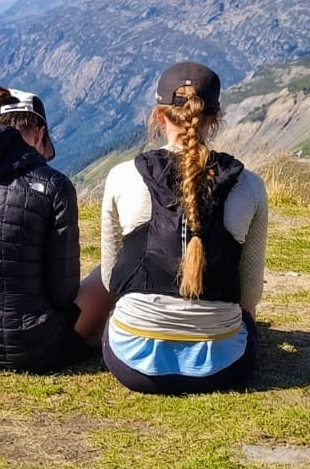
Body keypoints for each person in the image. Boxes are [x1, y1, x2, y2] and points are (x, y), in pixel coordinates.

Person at [97, 62, 269, 393]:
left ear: (158, 116)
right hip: (223, 368)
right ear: (215, 118)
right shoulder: (249, 186)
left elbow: (110, 280)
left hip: (134, 364)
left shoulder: (121, 176)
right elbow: (249, 297)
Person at [0, 85, 95, 370]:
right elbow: (63, 292)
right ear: (39, 132)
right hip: (33, 348)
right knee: (104, 279)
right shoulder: (55, 186)